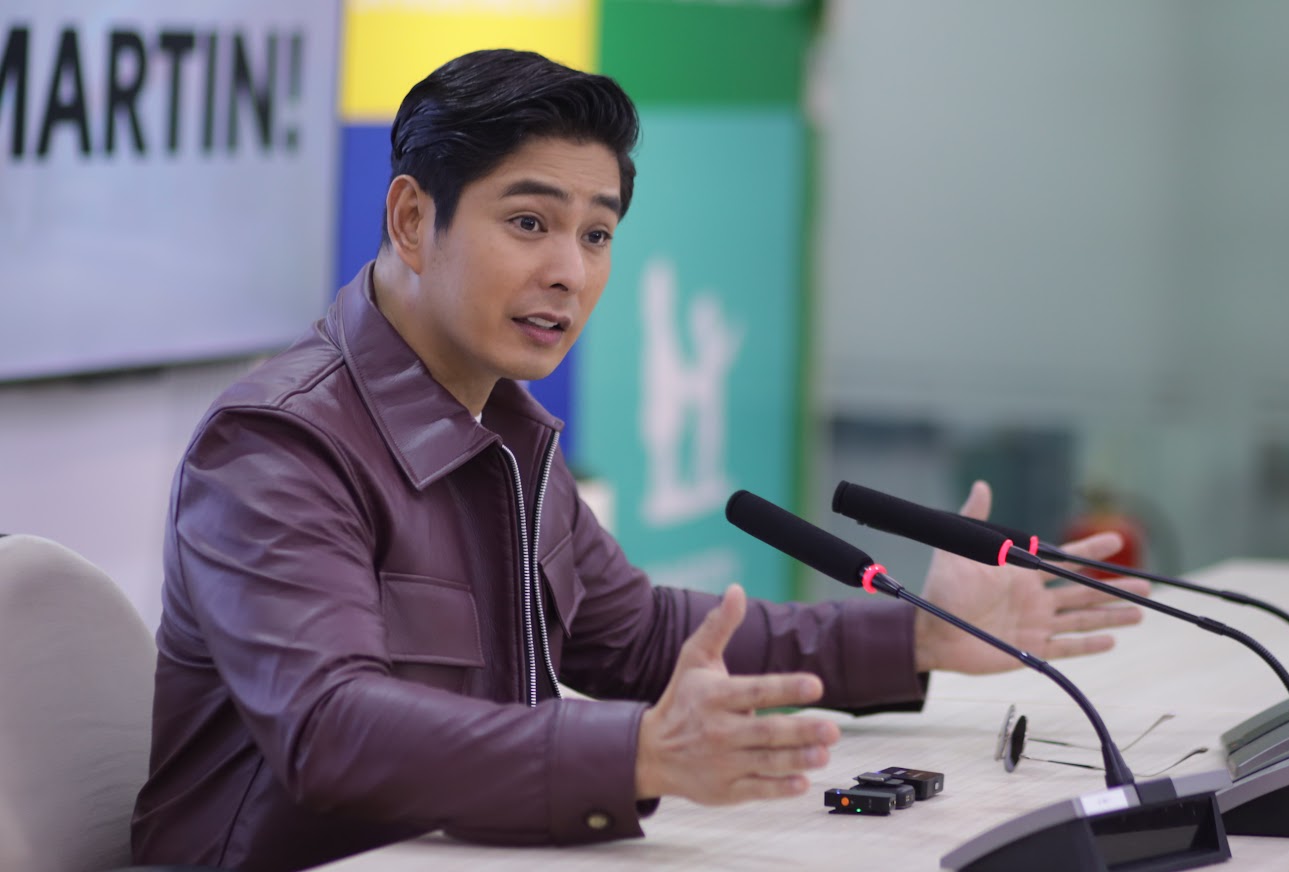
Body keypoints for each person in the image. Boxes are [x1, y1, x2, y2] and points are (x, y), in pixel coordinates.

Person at [130, 49, 1148, 872]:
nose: (568, 272)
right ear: (410, 219)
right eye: (528, 222)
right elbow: (329, 729)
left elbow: (638, 635)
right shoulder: (277, 443)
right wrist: (638, 754)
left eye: (597, 234)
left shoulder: (507, 430)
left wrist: (919, 636)